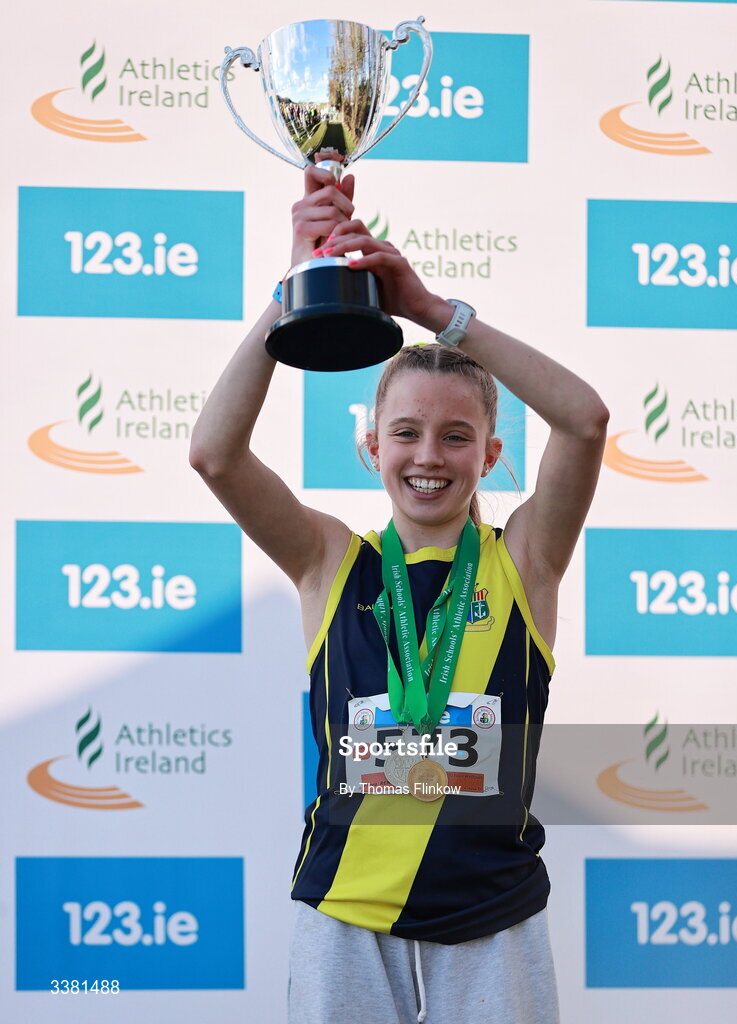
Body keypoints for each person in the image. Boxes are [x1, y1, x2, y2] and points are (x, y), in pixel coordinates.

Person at [190, 165, 609, 1024]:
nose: (429, 455)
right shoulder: (328, 560)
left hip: (495, 917)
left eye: (457, 436)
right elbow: (215, 456)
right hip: (346, 913)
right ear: (369, 445)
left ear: (489, 456)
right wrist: (294, 288)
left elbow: (585, 420)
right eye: (406, 433)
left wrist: (428, 308)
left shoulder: (523, 561)